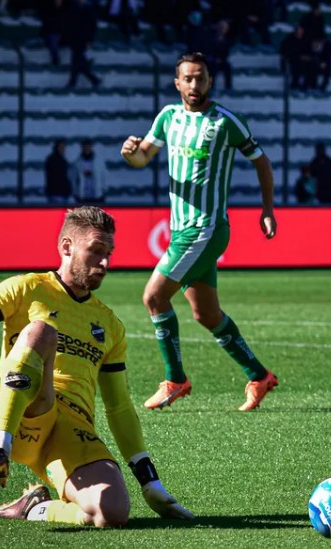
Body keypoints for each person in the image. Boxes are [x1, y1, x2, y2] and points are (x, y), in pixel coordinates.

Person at [0, 206, 193, 526]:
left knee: (110, 512)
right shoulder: (27, 288)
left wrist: (149, 481)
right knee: (42, 331)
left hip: (71, 428)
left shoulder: (110, 324)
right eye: (96, 251)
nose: (105, 263)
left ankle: (34, 508)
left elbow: (120, 407)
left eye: (109, 253)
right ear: (67, 247)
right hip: (26, 410)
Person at [120, 52, 279, 411]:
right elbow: (142, 157)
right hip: (180, 230)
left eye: (201, 78)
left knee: (154, 297)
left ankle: (175, 379)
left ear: (210, 81)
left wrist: (267, 209)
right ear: (177, 82)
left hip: (205, 229)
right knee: (206, 315)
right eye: (188, 79)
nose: (194, 85)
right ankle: (259, 375)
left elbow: (261, 160)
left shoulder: (225, 122)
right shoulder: (168, 117)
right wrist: (129, 153)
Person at [64, 0, 102, 89]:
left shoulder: (88, 11)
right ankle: (94, 80)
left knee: (76, 61)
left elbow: (92, 27)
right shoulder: (72, 9)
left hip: (83, 39)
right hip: (74, 38)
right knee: (77, 61)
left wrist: (89, 40)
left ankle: (74, 82)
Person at [71, 139, 107, 204]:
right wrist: (75, 192)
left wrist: (103, 190)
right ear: (82, 148)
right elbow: (73, 179)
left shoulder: (99, 161)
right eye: (85, 147)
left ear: (91, 147)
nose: (86, 149)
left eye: (88, 147)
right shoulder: (77, 163)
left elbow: (104, 176)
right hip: (82, 196)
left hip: (96, 195)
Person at [45, 139, 72, 204]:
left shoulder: (63, 160)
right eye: (61, 147)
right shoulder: (52, 160)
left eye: (63, 147)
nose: (62, 149)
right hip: (55, 194)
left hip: (63, 193)